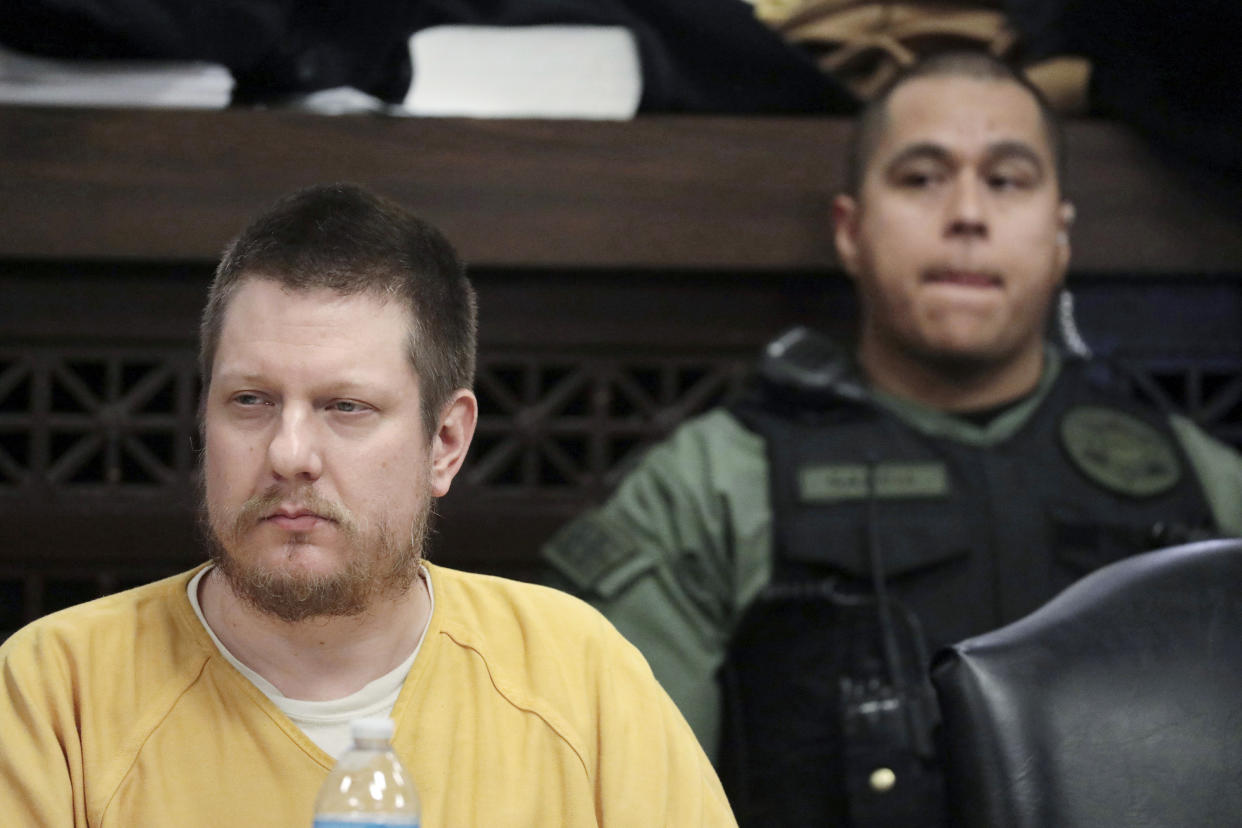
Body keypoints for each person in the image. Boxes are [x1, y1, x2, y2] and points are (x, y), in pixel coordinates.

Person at [542, 51, 1242, 827]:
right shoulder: (713, 484)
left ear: (1060, 234)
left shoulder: (1204, 483)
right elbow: (622, 798)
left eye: (1007, 180)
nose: (968, 214)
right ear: (850, 230)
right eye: (921, 179)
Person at [0, 183, 736, 827]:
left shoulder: (578, 674)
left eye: (344, 407)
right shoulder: (56, 690)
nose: (289, 453)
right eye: (250, 401)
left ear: (445, 442)